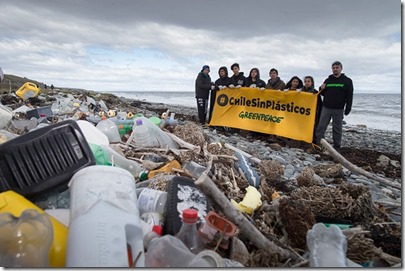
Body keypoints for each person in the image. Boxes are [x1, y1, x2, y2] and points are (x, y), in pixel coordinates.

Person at [315, 61, 354, 151]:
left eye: (337, 67)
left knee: (337, 129)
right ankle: (318, 143)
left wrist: (348, 108)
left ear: (341, 68)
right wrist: (321, 88)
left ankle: (337, 146)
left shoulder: (347, 81)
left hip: (339, 109)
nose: (335, 69)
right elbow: (323, 93)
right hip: (326, 108)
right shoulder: (328, 80)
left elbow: (349, 95)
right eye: (333, 68)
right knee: (321, 126)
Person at [302, 76, 323, 142]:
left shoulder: (315, 92)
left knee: (312, 127)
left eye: (308, 81)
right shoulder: (300, 91)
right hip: (302, 112)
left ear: (312, 82)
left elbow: (320, 104)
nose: (307, 83)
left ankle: (313, 140)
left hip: (312, 113)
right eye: (305, 81)